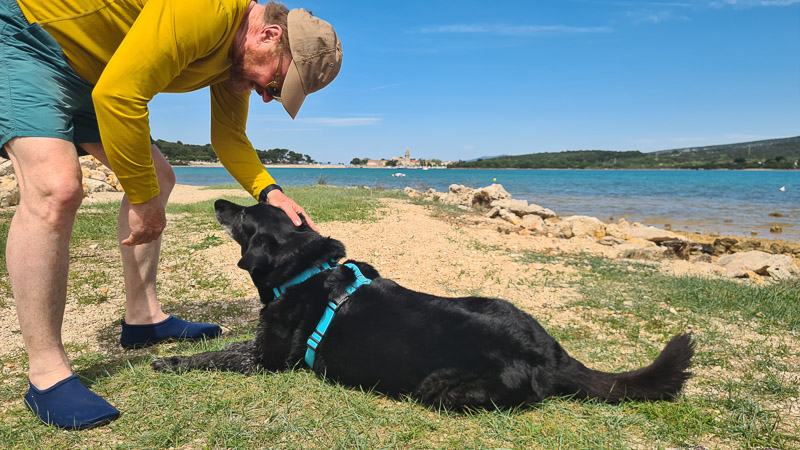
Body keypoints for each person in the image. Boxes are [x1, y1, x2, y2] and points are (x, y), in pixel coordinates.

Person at [0, 0, 342, 429]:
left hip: (97, 72)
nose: (267, 94)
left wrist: (269, 192)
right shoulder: (208, 10)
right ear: (269, 36)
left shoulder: (233, 61)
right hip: (33, 40)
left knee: (160, 178)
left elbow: (230, 135)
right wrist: (143, 204)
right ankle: (47, 372)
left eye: (275, 92)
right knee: (56, 187)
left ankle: (143, 320)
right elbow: (119, 96)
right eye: (275, 81)